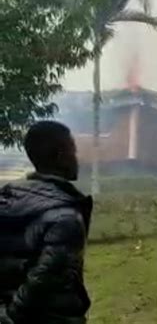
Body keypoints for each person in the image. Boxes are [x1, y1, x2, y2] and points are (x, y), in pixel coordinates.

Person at [0, 121, 93, 324]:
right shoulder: (65, 216)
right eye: (73, 151)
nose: (77, 159)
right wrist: (12, 316)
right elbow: (46, 277)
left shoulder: (7, 198)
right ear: (60, 155)